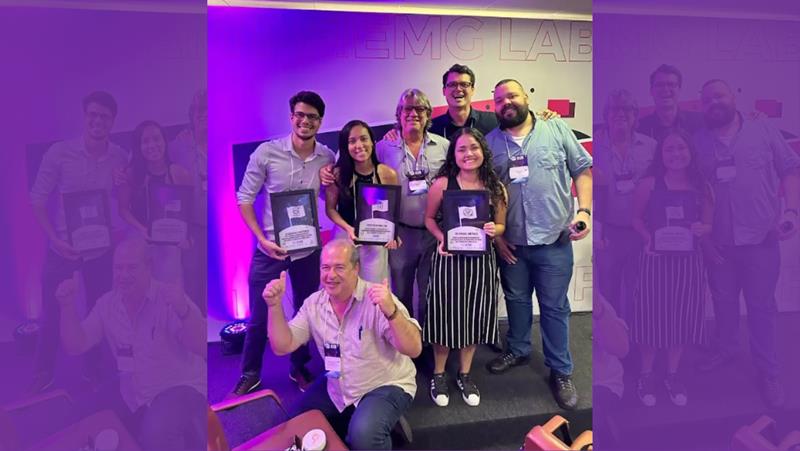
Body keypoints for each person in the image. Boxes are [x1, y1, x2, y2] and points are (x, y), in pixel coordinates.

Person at [484, 79, 593, 410]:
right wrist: (498, 237)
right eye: (499, 100)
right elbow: (486, 194)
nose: (507, 103)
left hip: (553, 240)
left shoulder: (555, 128)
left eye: (512, 96)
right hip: (512, 243)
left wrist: (584, 211)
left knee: (554, 307)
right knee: (516, 300)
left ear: (526, 98)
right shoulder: (489, 143)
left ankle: (561, 370)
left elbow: (582, 170)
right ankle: (518, 350)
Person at [693, 79, 800, 409]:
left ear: (734, 97)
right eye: (708, 99)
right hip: (720, 244)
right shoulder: (698, 141)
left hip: (761, 241)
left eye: (720, 96)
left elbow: (790, 169)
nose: (714, 102)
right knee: (723, 303)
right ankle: (726, 350)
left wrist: (792, 211)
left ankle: (768, 372)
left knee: (761, 308)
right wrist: (705, 241)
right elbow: (697, 193)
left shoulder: (763, 129)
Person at [266, 240, 421, 450]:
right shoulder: (314, 304)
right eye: (325, 267)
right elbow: (282, 346)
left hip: (384, 383)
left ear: (356, 268)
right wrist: (274, 306)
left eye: (339, 267)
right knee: (296, 423)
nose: (330, 275)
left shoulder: (378, 299)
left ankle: (375, 420)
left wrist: (391, 312)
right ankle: (367, 417)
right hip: (338, 384)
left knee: (363, 437)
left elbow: (414, 349)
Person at [56, 237, 206, 450]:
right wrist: (67, 305)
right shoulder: (107, 305)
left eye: (131, 268)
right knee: (80, 414)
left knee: (156, 434)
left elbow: (201, 346)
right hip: (133, 389)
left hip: (179, 386)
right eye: (119, 268)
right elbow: (76, 345)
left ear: (148, 267)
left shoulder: (169, 299)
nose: (123, 275)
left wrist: (184, 311)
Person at [233, 91, 336, 395]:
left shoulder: (327, 158)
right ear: (292, 117)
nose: (306, 121)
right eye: (300, 115)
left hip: (308, 249)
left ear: (320, 121)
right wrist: (261, 239)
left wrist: (329, 185)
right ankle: (250, 373)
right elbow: (244, 199)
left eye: (312, 117)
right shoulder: (266, 153)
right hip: (270, 249)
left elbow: (328, 199)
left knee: (305, 310)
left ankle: (299, 366)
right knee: (258, 314)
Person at [28, 91, 130, 393]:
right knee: (52, 310)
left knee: (99, 309)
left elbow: (123, 202)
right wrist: (54, 239)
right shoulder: (59, 153)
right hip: (62, 248)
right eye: (93, 115)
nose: (98, 121)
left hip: (101, 250)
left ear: (112, 121)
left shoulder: (120, 157)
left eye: (104, 117)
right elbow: (37, 199)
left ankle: (94, 370)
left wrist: (122, 190)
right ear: (85, 117)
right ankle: (43, 372)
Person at [324, 89, 449, 325]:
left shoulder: (444, 146)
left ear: (428, 114)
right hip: (395, 233)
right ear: (399, 114)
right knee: (397, 292)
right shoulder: (385, 146)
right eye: (407, 109)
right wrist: (327, 170)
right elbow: (353, 159)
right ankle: (396, 335)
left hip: (432, 232)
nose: (413, 114)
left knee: (429, 292)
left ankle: (422, 340)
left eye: (419, 109)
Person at [423, 127, 507, 407]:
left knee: (473, 315)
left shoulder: (495, 187)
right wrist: (441, 238)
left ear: (483, 151)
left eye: (474, 147)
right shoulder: (442, 184)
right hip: (448, 260)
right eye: (461, 149)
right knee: (444, 315)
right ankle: (438, 374)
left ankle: (465, 374)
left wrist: (495, 229)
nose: (468, 153)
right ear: (453, 154)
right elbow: (429, 219)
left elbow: (501, 224)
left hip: (481, 263)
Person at [630, 131, 712, 407]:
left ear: (690, 152)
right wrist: (648, 239)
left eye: (681, 148)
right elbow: (636, 219)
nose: (676, 154)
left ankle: (672, 375)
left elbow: (708, 223)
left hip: (688, 263)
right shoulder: (649, 184)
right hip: (655, 261)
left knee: (680, 317)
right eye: (669, 150)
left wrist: (702, 229)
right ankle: (646, 375)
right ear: (661, 155)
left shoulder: (702, 187)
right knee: (651, 318)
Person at [593, 90, 656, 321]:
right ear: (606, 115)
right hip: (608, 232)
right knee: (608, 288)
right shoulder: (593, 146)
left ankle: (634, 334)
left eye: (627, 109)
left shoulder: (651, 146)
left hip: (640, 231)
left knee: (638, 289)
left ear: (635, 115)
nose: (620, 114)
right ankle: (612, 336)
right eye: (615, 109)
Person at [324, 120, 400, 283]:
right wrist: (348, 228)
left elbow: (392, 211)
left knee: (373, 287)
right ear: (345, 146)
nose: (359, 145)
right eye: (352, 141)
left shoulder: (388, 174)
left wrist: (394, 234)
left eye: (364, 139)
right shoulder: (337, 174)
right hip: (344, 236)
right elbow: (330, 209)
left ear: (373, 142)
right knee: (342, 284)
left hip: (375, 240)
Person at [119, 120, 192, 285]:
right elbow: (123, 209)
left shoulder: (179, 173)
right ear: (138, 146)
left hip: (170, 243)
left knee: (168, 290)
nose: (152, 145)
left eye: (156, 139)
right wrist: (141, 229)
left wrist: (186, 237)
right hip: (138, 240)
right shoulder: (130, 174)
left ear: (164, 141)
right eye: (145, 141)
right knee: (139, 288)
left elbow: (188, 211)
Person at [169, 89, 209, 313]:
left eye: (208, 110)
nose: (203, 115)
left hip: (222, 224)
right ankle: (197, 322)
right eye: (198, 111)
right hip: (192, 227)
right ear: (191, 117)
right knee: (193, 277)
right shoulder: (178, 147)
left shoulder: (221, 139)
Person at [636, 64, 704, 142]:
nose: (665, 89)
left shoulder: (698, 121)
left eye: (671, 84)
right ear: (651, 91)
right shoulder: (640, 127)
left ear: (679, 90)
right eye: (660, 85)